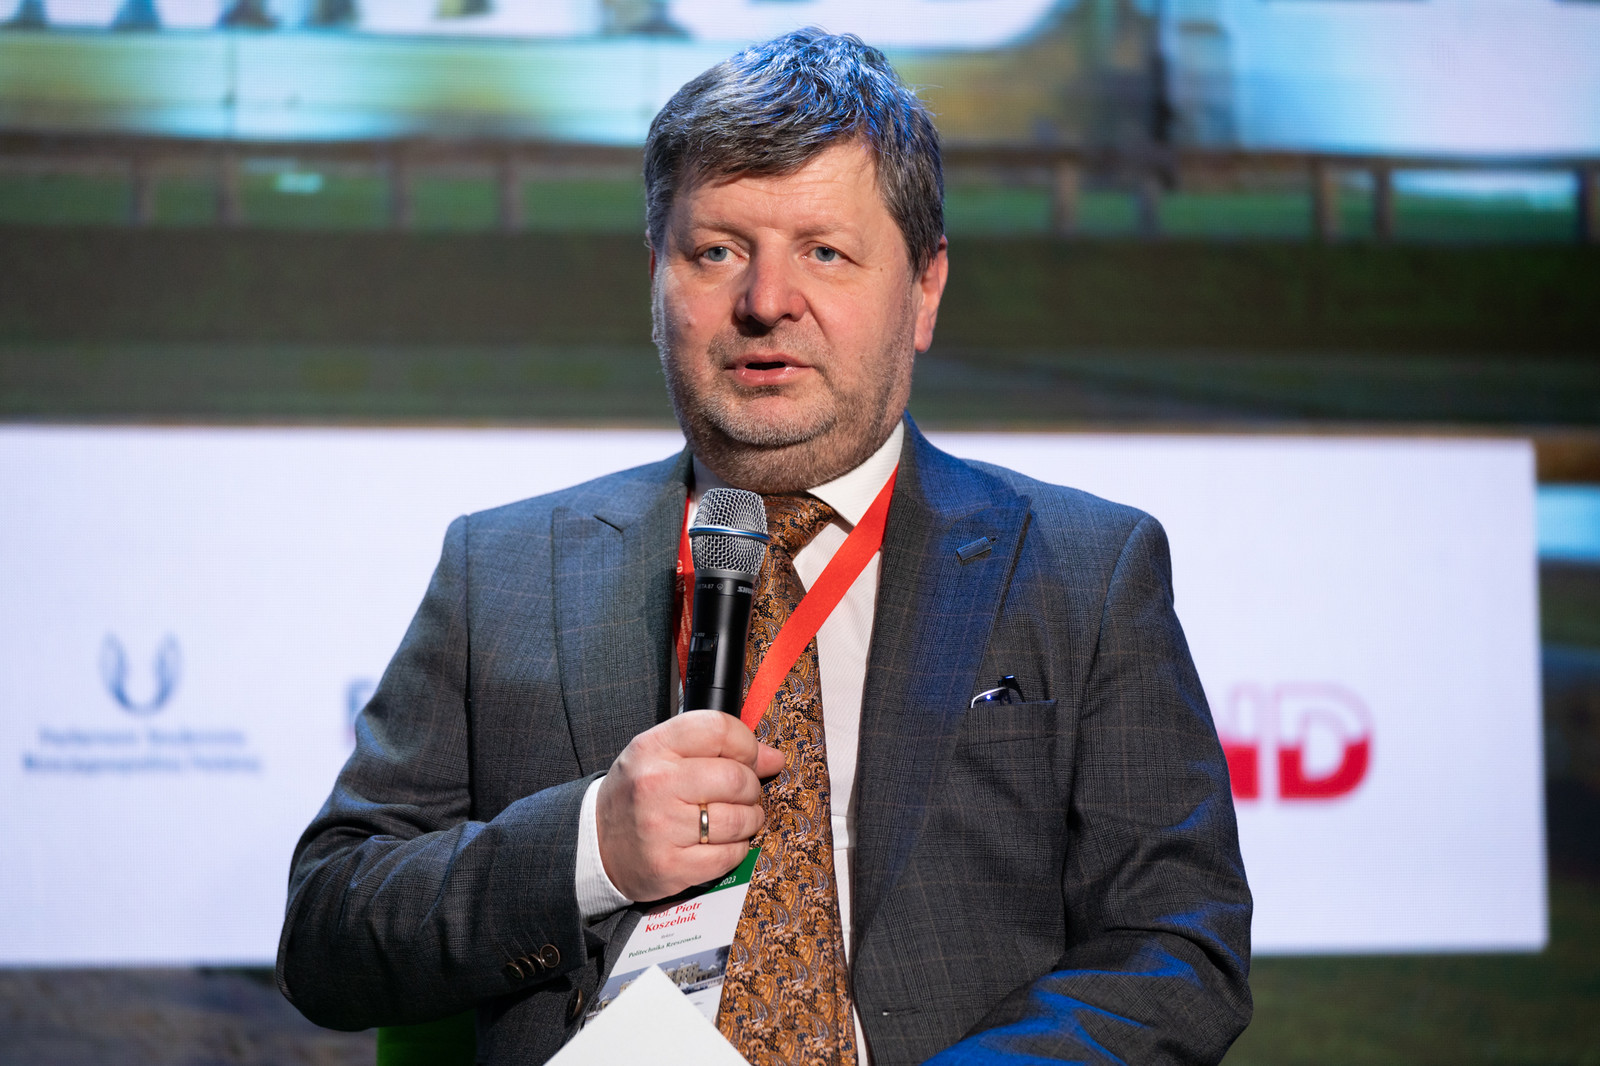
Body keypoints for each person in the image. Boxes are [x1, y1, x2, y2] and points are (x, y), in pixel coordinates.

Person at [276, 28, 1252, 1066]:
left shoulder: (1084, 571)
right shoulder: (503, 569)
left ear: (923, 290)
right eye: (717, 251)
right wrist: (590, 846)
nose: (765, 300)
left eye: (824, 251)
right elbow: (328, 935)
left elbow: (1176, 951)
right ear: (656, 280)